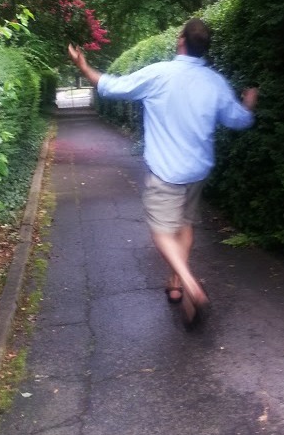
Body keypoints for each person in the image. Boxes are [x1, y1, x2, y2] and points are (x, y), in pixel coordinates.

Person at [68, 18, 258, 329]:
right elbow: (238, 120)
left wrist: (83, 66)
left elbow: (112, 87)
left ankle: (190, 284)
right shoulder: (215, 82)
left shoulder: (158, 74)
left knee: (161, 232)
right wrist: (248, 106)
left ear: (181, 41)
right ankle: (175, 285)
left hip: (166, 171)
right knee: (184, 225)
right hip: (198, 170)